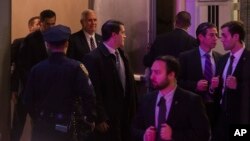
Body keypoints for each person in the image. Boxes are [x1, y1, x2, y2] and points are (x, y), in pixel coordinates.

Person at [23, 25, 96, 141]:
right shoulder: (76, 68)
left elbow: (27, 100)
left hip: (42, 125)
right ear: (67, 44)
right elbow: (89, 96)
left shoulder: (37, 69)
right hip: (66, 125)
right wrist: (89, 118)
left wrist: (37, 117)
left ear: (47, 45)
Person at [132, 55, 210, 141]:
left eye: (157, 72)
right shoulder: (146, 99)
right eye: (152, 72)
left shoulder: (192, 101)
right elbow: (134, 129)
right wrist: (144, 135)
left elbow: (204, 135)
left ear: (171, 75)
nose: (151, 77)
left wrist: (173, 135)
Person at [83, 20, 137, 141]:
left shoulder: (123, 54)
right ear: (114, 35)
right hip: (108, 119)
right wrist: (99, 118)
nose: (125, 35)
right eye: (122, 32)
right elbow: (93, 91)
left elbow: (130, 85)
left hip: (125, 116)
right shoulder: (93, 58)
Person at [178, 22, 222, 128]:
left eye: (216, 35)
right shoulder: (186, 57)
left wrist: (215, 86)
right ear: (201, 37)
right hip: (193, 108)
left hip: (215, 109)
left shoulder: (220, 58)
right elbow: (177, 82)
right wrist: (195, 85)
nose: (216, 38)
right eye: (211, 35)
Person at [212, 21, 250, 141]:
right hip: (221, 118)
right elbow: (218, 91)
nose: (221, 39)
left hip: (241, 119)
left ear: (236, 37)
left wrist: (237, 86)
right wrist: (214, 86)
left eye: (224, 35)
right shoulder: (222, 59)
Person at [10, 16, 40, 141]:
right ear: (30, 27)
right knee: (18, 123)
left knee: (39, 124)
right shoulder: (19, 42)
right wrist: (13, 89)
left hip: (39, 91)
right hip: (22, 89)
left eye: (41, 24)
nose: (39, 26)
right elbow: (11, 66)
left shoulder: (46, 44)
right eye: (37, 23)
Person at [18, 9, 56, 89]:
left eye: (53, 24)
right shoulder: (30, 40)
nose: (51, 27)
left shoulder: (56, 38)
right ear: (40, 23)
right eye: (47, 24)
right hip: (36, 84)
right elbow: (23, 66)